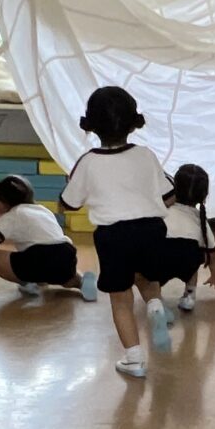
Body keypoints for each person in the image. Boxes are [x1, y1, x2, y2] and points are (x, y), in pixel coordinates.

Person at [57, 85, 173, 378]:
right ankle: (155, 305)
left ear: (91, 125)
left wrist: (69, 190)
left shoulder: (88, 162)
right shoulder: (145, 155)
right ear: (134, 123)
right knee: (148, 279)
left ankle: (134, 359)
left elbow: (68, 203)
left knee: (121, 299)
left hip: (114, 236)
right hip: (152, 229)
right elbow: (169, 194)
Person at [0, 174, 98, 301]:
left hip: (41, 257)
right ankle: (82, 282)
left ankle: (27, 283)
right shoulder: (42, 210)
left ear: (4, 203)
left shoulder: (13, 214)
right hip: (66, 254)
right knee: (65, 277)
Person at [152, 163, 215, 316]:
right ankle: (189, 296)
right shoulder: (200, 219)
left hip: (160, 259)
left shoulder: (163, 209)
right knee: (195, 256)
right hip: (187, 261)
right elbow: (212, 254)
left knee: (154, 271)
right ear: (204, 195)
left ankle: (156, 300)